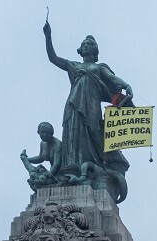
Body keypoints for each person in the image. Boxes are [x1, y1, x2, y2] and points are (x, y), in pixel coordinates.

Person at [43, 21, 133, 174]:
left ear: (94, 49)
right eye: (84, 44)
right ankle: (72, 167)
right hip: (74, 103)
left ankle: (98, 164)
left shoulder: (99, 67)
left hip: (91, 105)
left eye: (89, 44)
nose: (86, 46)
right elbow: (53, 58)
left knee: (93, 130)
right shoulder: (74, 65)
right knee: (73, 131)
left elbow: (112, 78)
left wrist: (125, 85)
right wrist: (48, 36)